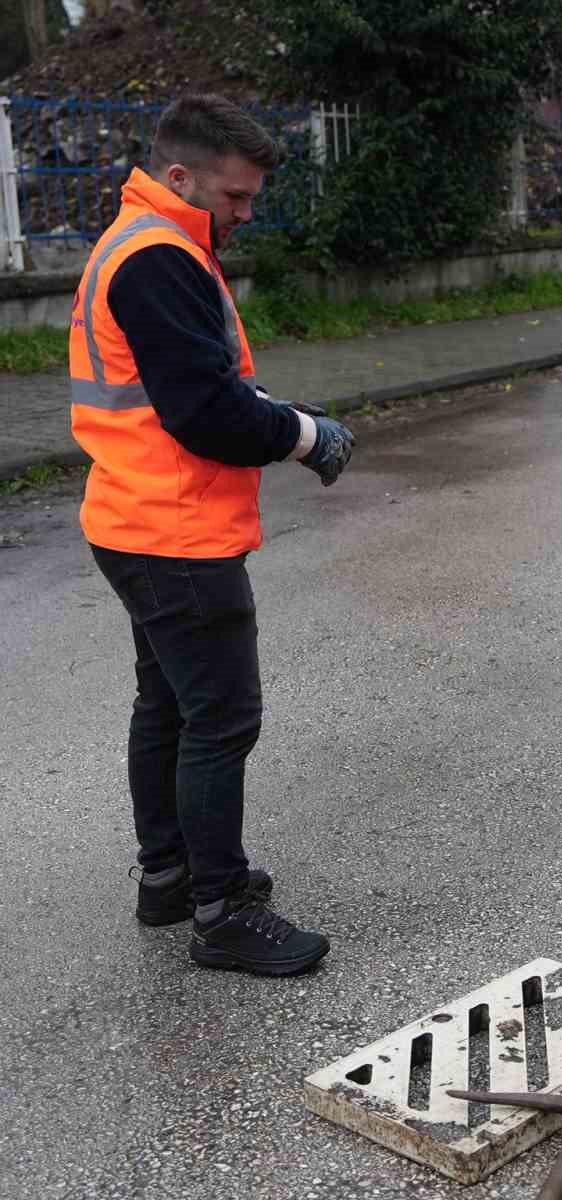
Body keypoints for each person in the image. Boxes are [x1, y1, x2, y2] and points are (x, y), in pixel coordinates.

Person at [70, 94, 354, 976]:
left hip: (135, 516)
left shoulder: (144, 241)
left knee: (168, 706)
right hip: (175, 534)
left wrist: (280, 414)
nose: (243, 214)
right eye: (234, 198)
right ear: (181, 175)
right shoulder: (159, 259)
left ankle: (169, 877)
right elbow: (205, 414)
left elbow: (190, 392)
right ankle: (221, 911)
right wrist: (305, 436)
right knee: (221, 719)